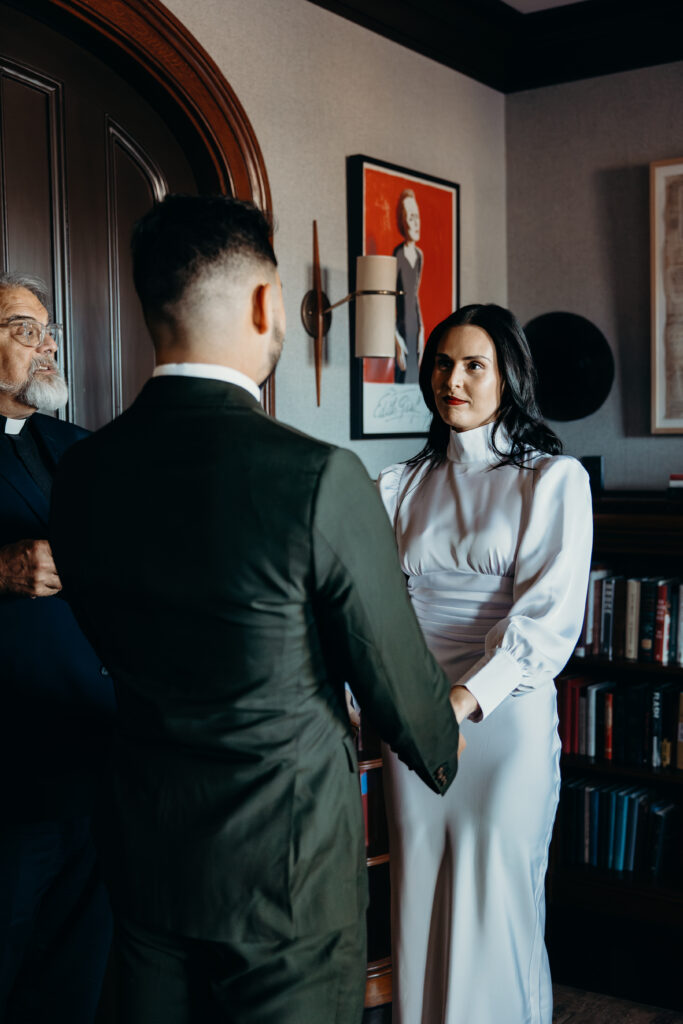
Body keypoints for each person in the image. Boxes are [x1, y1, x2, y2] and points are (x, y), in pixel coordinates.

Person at [49, 194, 464, 1024]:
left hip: (145, 851)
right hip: (286, 875)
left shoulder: (82, 473)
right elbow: (397, 685)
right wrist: (440, 738)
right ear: (267, 303)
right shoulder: (318, 476)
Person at [377, 303, 593, 1024]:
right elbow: (377, 609)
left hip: (501, 722)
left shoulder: (551, 480)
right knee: (420, 893)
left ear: (508, 378)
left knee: (494, 897)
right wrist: (394, 705)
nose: (453, 379)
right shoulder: (398, 484)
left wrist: (461, 703)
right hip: (413, 719)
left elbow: (545, 622)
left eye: (474, 365)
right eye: (441, 363)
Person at [0, 272, 115, 1023]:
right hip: (9, 774)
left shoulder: (73, 445)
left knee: (80, 976)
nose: (43, 346)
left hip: (97, 755)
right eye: (19, 329)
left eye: (46, 330)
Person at [393, 189, 424, 384]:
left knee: (417, 380)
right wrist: (396, 339)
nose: (416, 223)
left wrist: (422, 329)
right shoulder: (397, 255)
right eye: (411, 218)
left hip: (415, 325)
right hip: (401, 328)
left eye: (417, 217)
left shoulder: (420, 255)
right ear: (402, 221)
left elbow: (415, 296)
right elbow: (388, 302)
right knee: (402, 377)